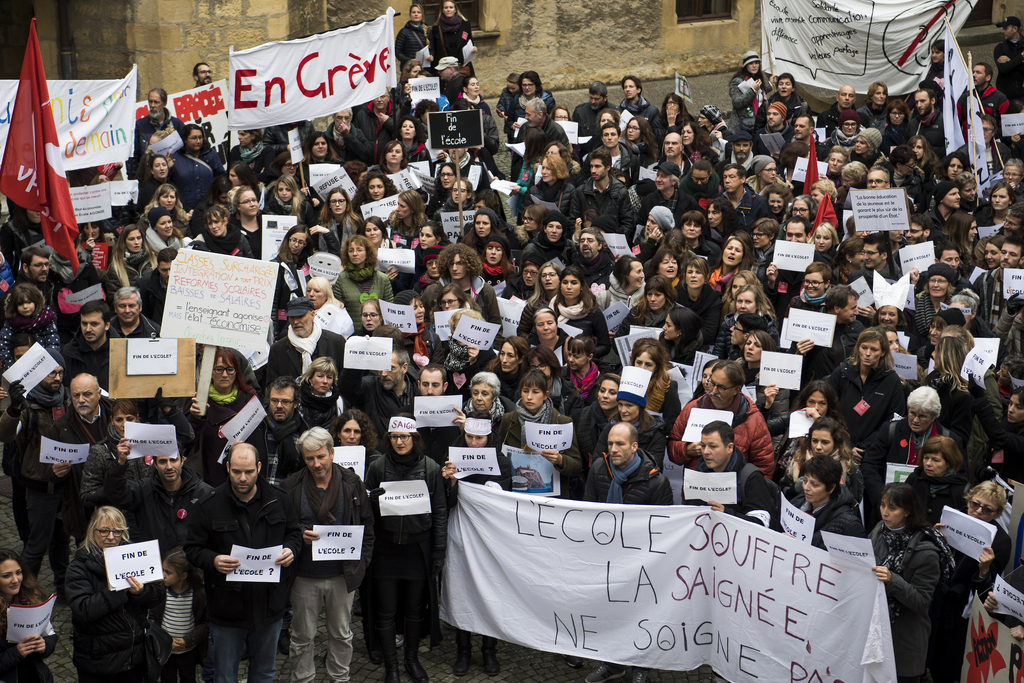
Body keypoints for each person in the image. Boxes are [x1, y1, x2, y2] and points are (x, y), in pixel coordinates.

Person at [184, 442, 302, 683]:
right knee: (225, 675)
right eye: (236, 471)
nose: (242, 478)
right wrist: (213, 560)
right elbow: (192, 548)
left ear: (259, 467)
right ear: (227, 467)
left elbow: (294, 533)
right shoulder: (209, 505)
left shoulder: (280, 500)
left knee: (264, 672)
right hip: (227, 609)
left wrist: (292, 549)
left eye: (248, 471)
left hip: (270, 606)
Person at [280, 427, 374, 683]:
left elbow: (367, 526)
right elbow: (282, 528)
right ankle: (303, 679)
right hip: (303, 576)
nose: (316, 463)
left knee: (342, 635)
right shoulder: (291, 486)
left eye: (321, 456)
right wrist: (300, 533)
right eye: (309, 458)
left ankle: (339, 678)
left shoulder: (352, 483)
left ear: (332, 452)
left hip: (342, 576)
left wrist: (361, 564)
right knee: (302, 636)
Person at [581, 423, 670, 683]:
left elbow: (664, 529)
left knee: (639, 613)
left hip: (640, 561)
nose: (613, 449)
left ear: (634, 446)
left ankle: (641, 666)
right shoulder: (599, 468)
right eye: (610, 444)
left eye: (619, 444)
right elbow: (587, 509)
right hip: (606, 555)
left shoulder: (656, 481)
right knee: (609, 610)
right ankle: (612, 663)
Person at [364, 415, 447, 683]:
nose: (400, 442)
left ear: (414, 438)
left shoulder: (431, 468)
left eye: (405, 437)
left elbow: (440, 512)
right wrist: (372, 502)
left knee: (414, 610)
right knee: (386, 610)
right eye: (395, 437)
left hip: (417, 549)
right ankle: (391, 667)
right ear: (389, 438)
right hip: (386, 550)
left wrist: (438, 551)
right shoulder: (377, 467)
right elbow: (366, 512)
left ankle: (411, 659)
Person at [0, 353, 71, 598]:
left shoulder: (66, 397)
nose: (58, 378)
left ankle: (63, 588)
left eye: (61, 372)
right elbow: (5, 434)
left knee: (62, 540)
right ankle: (24, 595)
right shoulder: (26, 404)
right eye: (53, 373)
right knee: (37, 544)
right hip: (40, 485)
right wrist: (13, 407)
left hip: (65, 483)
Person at [66, 506, 163, 683]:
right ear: (92, 531)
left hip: (133, 658)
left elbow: (157, 595)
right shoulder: (78, 567)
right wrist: (117, 591)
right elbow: (83, 610)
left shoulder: (134, 556)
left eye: (117, 531)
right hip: (97, 661)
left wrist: (141, 591)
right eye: (104, 531)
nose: (111, 537)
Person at [870, 483, 954, 683]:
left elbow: (922, 601)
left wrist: (892, 580)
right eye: (882, 505)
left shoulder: (926, 553)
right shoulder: (879, 531)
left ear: (907, 511)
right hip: (874, 634)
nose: (885, 512)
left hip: (904, 642)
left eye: (892, 507)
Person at [104, 423, 211, 554]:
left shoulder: (203, 492)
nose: (169, 466)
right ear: (154, 464)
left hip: (191, 566)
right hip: (157, 564)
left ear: (182, 460)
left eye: (173, 460)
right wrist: (120, 463)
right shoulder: (143, 490)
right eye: (162, 461)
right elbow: (116, 494)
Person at [669, 360, 774, 476]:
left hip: (734, 490)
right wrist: (687, 450)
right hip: (697, 488)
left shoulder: (753, 419)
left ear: (736, 389)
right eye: (712, 383)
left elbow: (764, 467)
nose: (713, 391)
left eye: (721, 387)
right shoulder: (692, 408)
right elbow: (672, 446)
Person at [496, 368, 582, 498]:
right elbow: (498, 456)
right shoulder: (508, 420)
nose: (529, 397)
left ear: (546, 395)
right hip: (517, 498)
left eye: (535, 392)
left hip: (553, 499)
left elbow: (576, 465)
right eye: (525, 391)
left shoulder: (562, 422)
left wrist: (560, 460)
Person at [683, 421, 778, 527]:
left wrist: (726, 514)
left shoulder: (751, 478)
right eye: (703, 446)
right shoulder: (699, 473)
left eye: (713, 446)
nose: (705, 452)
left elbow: (760, 523)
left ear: (729, 448)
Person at [0, 548, 57, 683]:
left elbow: (51, 634)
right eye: (7, 575)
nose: (15, 580)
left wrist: (44, 646)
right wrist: (17, 653)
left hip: (36, 675)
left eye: (18, 573)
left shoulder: (31, 599)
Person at [153, 547, 208, 683]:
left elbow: (205, 624)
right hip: (166, 651)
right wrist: (167, 641)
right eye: (162, 570)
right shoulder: (160, 593)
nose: (163, 575)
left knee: (189, 679)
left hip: (188, 651)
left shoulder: (198, 594)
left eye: (168, 572)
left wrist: (188, 640)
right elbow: (152, 621)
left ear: (183, 575)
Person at [333, 236, 395, 334]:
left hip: (380, 334)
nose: (355, 254)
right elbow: (337, 309)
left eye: (359, 250)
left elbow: (389, 309)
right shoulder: (341, 279)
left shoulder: (382, 278)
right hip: (351, 334)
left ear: (367, 253)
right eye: (351, 250)